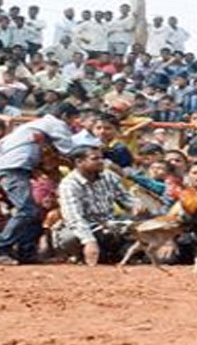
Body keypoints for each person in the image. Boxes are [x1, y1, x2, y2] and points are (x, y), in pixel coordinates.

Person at [0, 103, 80, 263]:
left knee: (35, 212)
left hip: (13, 167)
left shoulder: (34, 125)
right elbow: (71, 151)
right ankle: (2, 248)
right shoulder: (56, 124)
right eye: (72, 120)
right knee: (27, 210)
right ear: (64, 116)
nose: (72, 124)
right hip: (14, 168)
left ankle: (27, 253)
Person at [52, 145, 140, 265]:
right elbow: (74, 218)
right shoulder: (69, 184)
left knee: (142, 225)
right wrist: (89, 241)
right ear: (79, 162)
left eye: (101, 158)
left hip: (110, 224)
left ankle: (115, 254)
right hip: (86, 227)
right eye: (95, 159)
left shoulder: (108, 175)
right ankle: (83, 254)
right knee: (70, 238)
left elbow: (125, 198)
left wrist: (136, 206)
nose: (101, 162)